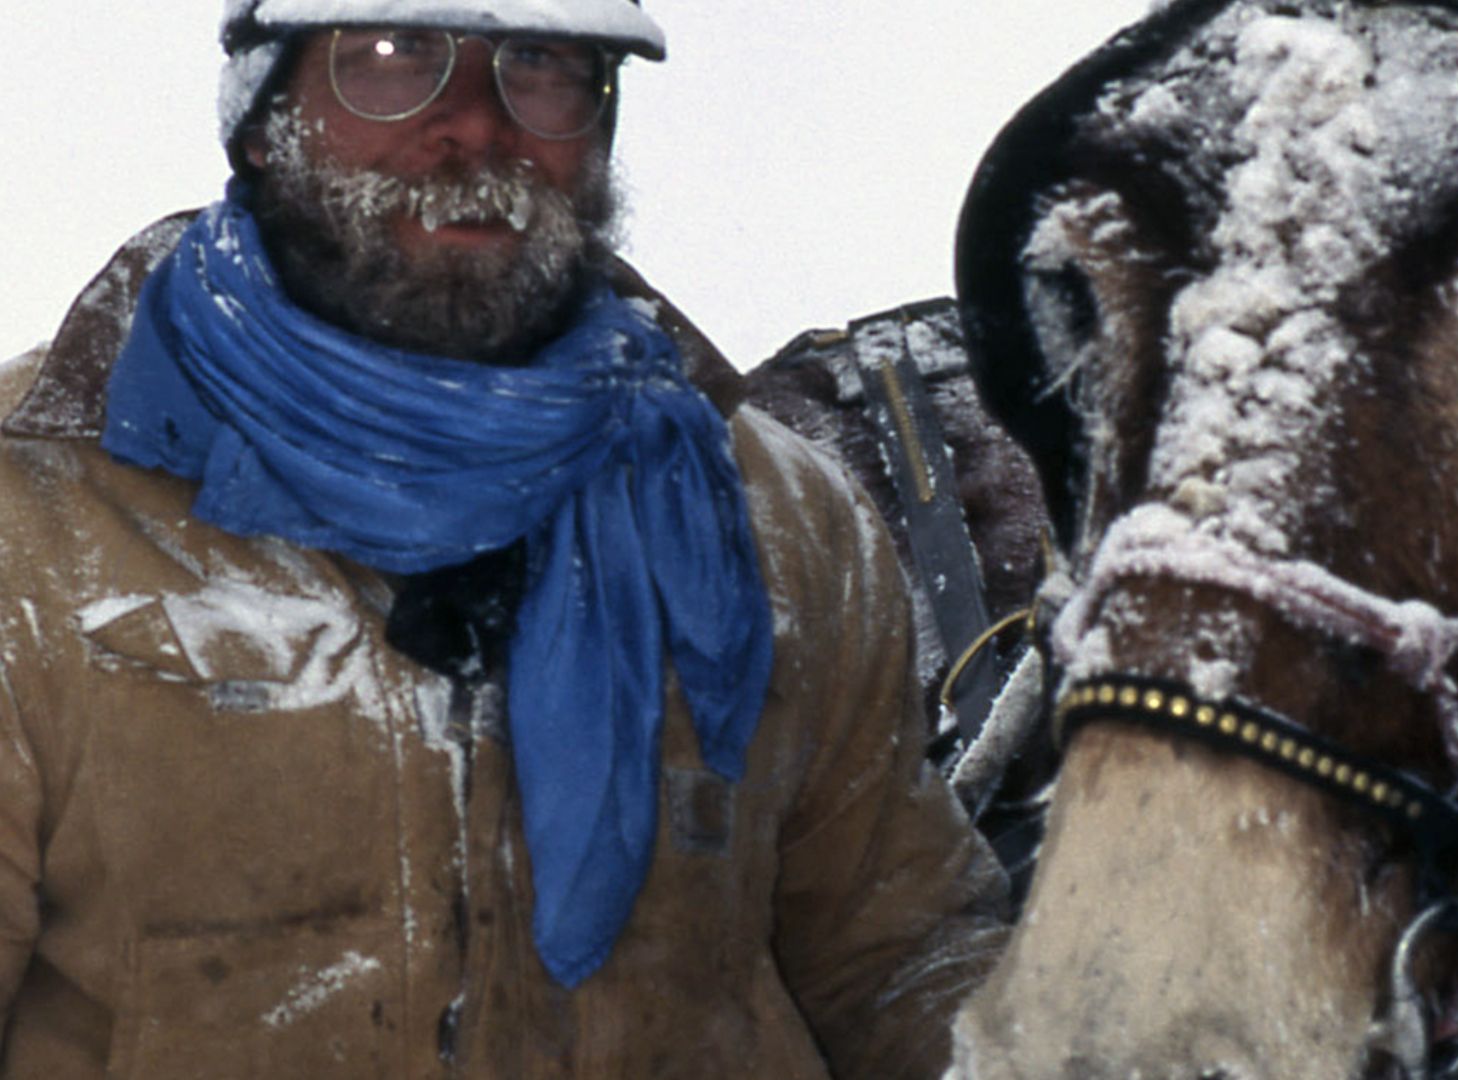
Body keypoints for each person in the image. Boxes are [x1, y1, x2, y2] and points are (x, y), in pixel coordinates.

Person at [0, 1, 1008, 1075]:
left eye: (541, 66)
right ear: (261, 120)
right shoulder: (38, 514)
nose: (476, 126)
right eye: (391, 60)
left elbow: (893, 955)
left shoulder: (770, 512)